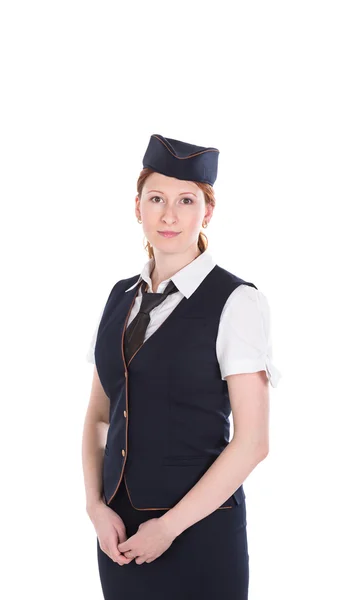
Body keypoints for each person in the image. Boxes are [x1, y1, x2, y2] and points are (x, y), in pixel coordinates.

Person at [82, 133, 282, 600]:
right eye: (156, 199)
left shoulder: (237, 302)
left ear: (207, 212)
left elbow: (253, 442)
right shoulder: (118, 297)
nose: (169, 215)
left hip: (199, 535)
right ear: (137, 207)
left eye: (185, 200)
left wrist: (168, 528)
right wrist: (95, 506)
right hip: (119, 537)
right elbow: (98, 416)